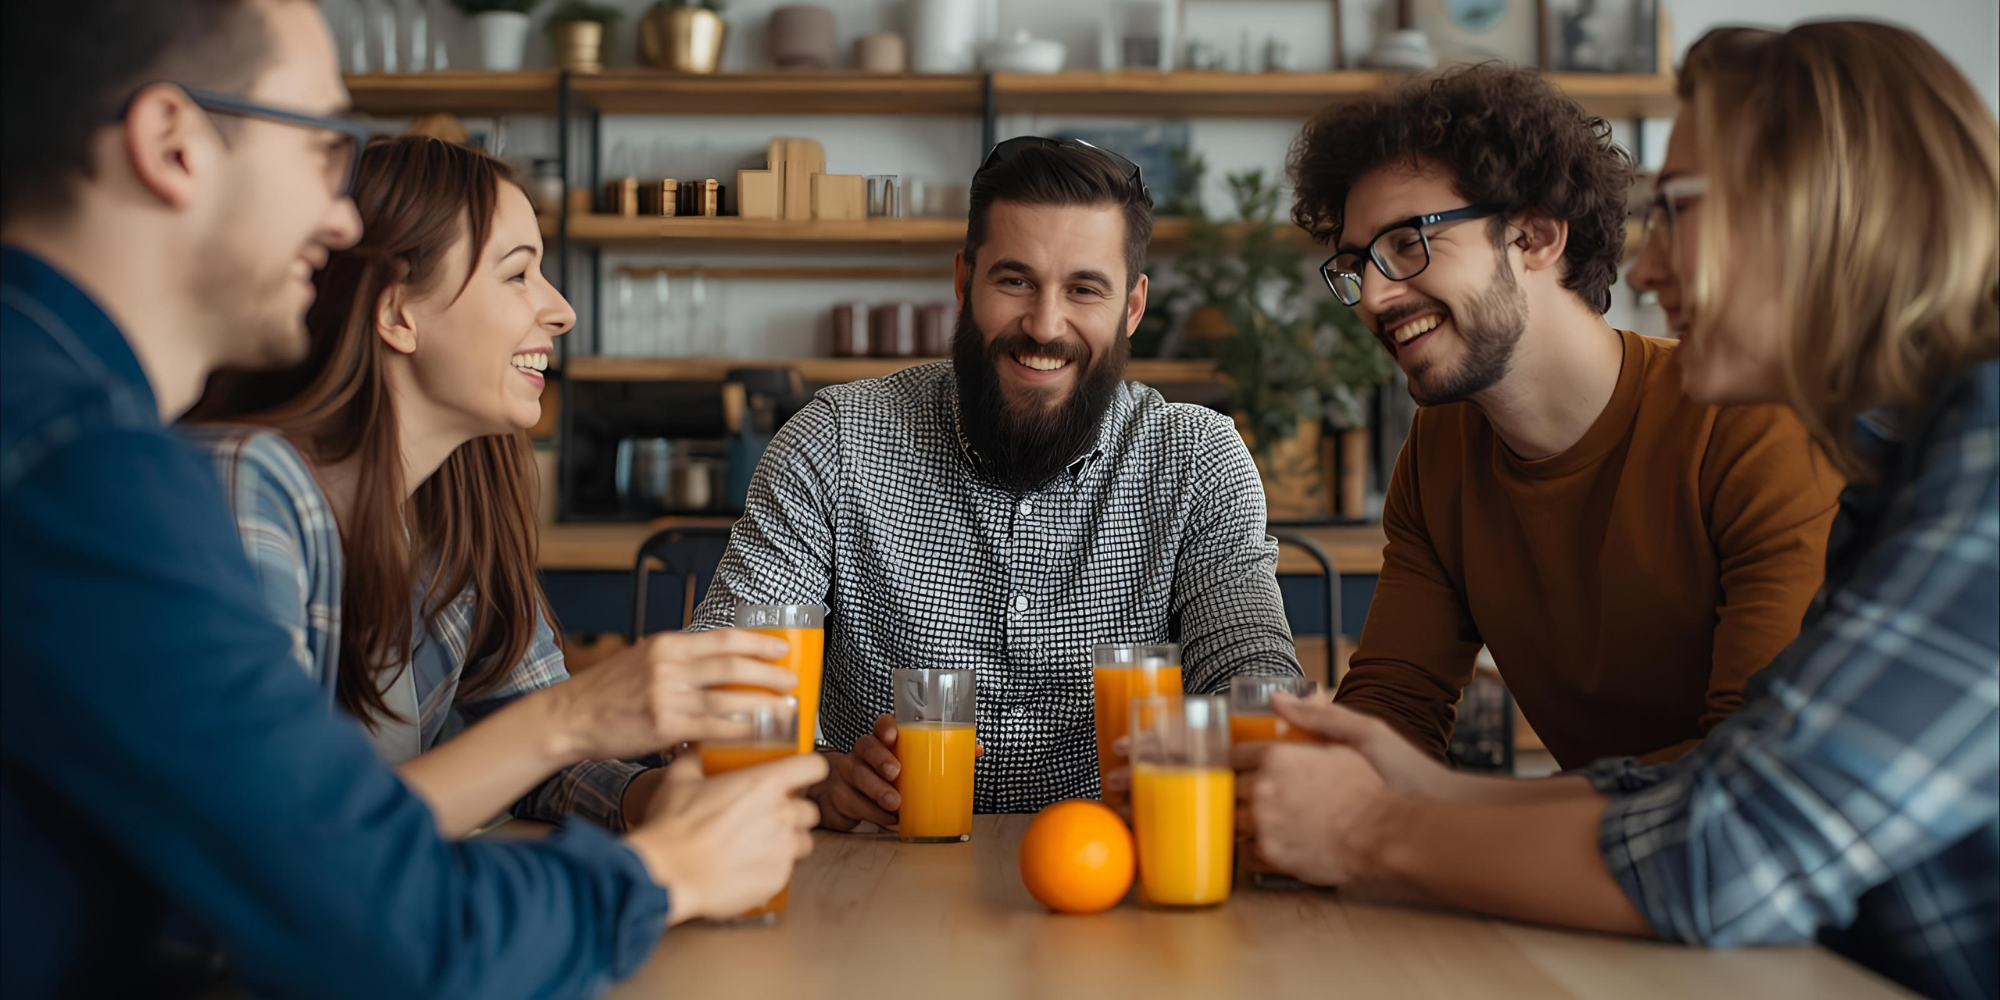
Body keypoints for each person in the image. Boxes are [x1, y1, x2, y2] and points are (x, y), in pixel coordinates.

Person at [0, 2, 824, 996]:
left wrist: (649, 797)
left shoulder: (443, 502)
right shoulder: (97, 472)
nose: (341, 217)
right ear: (172, 144)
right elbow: (370, 914)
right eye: (318, 147)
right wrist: (662, 868)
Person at [1240, 22, 1997, 1000]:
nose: (1643, 269)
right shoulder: (1894, 468)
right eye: (1359, 264)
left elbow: (1731, 840)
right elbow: (1752, 782)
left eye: (1677, 210)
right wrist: (1400, 784)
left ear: (1827, 207)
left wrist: (1373, 825)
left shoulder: (1970, 455)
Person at [688, 138, 1302, 826]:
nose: (1044, 325)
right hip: (878, 877)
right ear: (962, 282)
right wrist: (818, 780)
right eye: (1015, 281)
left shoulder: (1197, 461)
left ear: (1132, 308)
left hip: (1127, 876)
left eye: (1083, 289)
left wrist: (1266, 730)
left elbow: (1251, 673)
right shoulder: (831, 442)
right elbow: (718, 696)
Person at [185, 135, 783, 837]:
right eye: (518, 275)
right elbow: (278, 836)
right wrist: (578, 714)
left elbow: (534, 754)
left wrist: (658, 800)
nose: (561, 311)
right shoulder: (245, 492)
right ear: (397, 312)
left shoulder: (450, 509)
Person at [1285, 63, 1847, 768]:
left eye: (1407, 243)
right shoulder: (1439, 453)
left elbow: (1752, 769)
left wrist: (1447, 816)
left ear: (1538, 238)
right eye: (1356, 264)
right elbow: (1394, 708)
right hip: (1596, 852)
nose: (1371, 297)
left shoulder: (1749, 424)